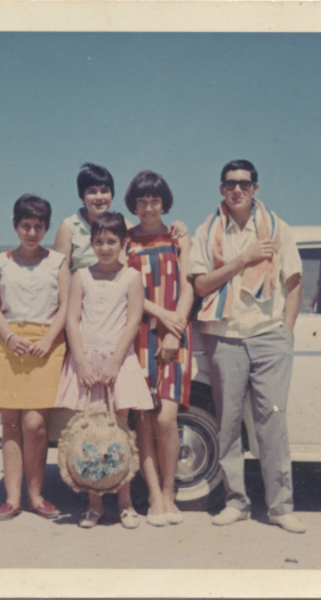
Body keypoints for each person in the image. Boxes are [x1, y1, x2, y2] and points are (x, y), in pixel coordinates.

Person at [188, 160, 305, 534]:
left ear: (255, 188)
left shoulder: (277, 228)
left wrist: (286, 331)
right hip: (224, 335)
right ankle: (236, 502)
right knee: (227, 423)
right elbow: (201, 286)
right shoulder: (207, 231)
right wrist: (243, 259)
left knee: (272, 421)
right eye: (229, 184)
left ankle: (280, 508)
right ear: (221, 189)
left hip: (269, 335)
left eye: (244, 183)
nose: (237, 190)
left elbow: (295, 280)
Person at [55, 211, 153, 529]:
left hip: (118, 361)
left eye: (112, 241)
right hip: (87, 359)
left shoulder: (131, 277)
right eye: (99, 241)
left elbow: (133, 320)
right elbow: (71, 319)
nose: (106, 247)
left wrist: (114, 362)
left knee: (119, 430)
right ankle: (94, 503)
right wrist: (81, 361)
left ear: (123, 242)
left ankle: (125, 503)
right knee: (88, 431)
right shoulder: (81, 276)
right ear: (91, 243)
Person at [0, 194, 70, 521]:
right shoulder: (1, 263)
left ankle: (37, 495)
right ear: (15, 226)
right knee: (11, 423)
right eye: (26, 225)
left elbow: (65, 306)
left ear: (46, 227)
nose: (32, 232)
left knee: (34, 424)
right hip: (9, 345)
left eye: (38, 226)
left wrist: (48, 340)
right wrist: (10, 336)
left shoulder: (57, 262)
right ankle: (13, 499)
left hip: (46, 346)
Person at [124, 171, 194, 527]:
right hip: (138, 335)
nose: (148, 206)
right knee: (145, 418)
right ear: (133, 204)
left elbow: (188, 288)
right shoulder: (125, 241)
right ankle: (153, 496)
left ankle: (170, 494)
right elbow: (126, 290)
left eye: (154, 200)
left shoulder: (180, 238)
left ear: (164, 202)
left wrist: (174, 328)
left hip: (174, 335)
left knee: (167, 417)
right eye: (141, 201)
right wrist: (160, 314)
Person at [54, 162, 187, 273]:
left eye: (105, 191)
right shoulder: (68, 227)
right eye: (92, 192)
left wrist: (177, 226)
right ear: (82, 197)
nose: (99, 197)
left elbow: (148, 231)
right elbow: (60, 274)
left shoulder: (122, 224)